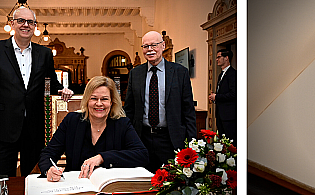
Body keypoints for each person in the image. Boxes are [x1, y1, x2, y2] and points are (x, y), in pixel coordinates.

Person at [0, 7, 74, 177]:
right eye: (21, 21)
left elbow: (51, 82)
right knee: (4, 178)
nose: (26, 25)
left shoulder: (45, 53)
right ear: (12, 23)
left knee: (34, 177)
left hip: (35, 128)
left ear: (35, 26)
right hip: (3, 126)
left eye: (30, 22)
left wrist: (62, 90)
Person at [39, 76, 149, 181]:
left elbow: (142, 155)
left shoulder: (122, 124)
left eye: (104, 99)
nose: (99, 104)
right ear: (87, 100)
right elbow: (48, 154)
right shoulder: (71, 121)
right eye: (94, 98)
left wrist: (102, 158)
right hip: (77, 185)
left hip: (109, 188)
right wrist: (49, 170)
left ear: (111, 102)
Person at [124, 31, 196, 173]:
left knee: (171, 183)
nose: (149, 49)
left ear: (163, 46)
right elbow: (129, 109)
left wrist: (191, 142)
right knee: (143, 182)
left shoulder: (180, 72)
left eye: (154, 45)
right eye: (145, 46)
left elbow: (188, 110)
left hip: (171, 139)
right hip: (142, 138)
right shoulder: (135, 73)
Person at [208, 49, 237, 145]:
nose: (216, 59)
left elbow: (234, 94)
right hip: (220, 114)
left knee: (230, 143)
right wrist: (214, 98)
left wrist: (217, 97)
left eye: (219, 57)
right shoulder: (221, 74)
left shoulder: (233, 74)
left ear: (226, 58)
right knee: (222, 142)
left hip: (229, 116)